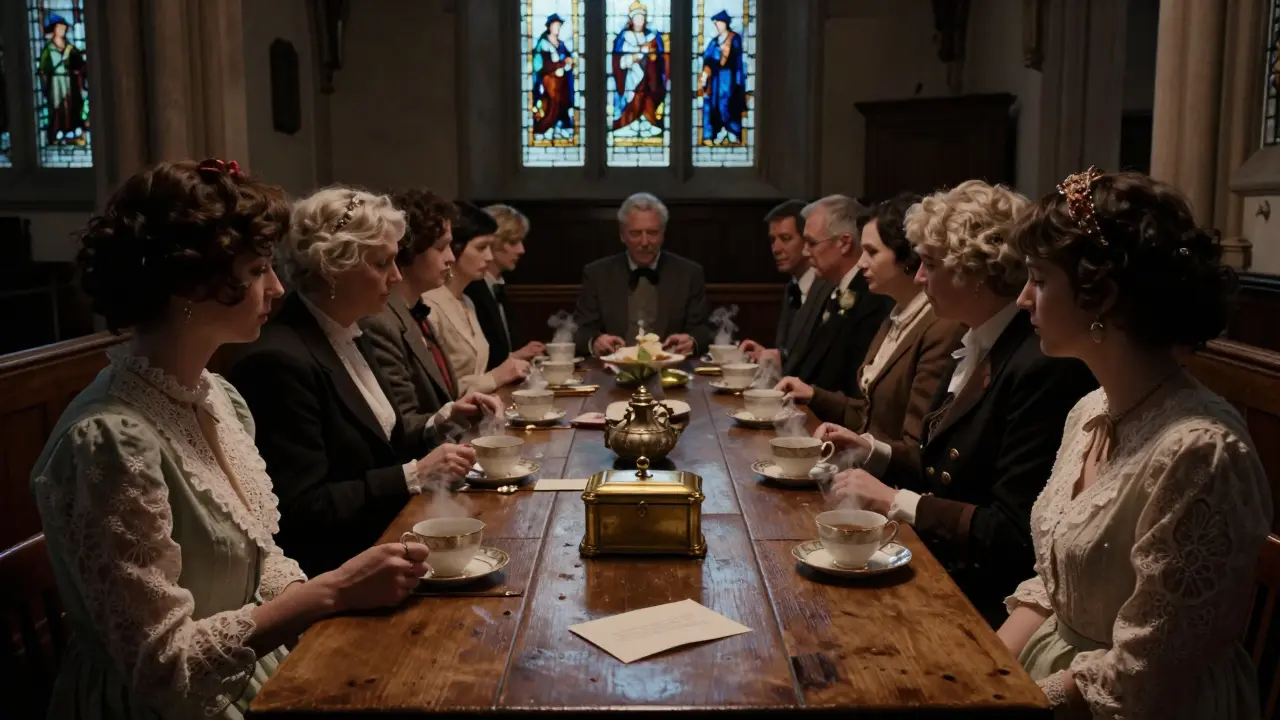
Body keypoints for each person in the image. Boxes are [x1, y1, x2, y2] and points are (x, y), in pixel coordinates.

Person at [31, 160, 429, 719]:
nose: (278, 286)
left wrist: (335, 591)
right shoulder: (108, 441)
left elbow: (259, 559)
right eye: (260, 268)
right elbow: (162, 668)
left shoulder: (216, 396)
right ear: (191, 283)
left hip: (252, 664)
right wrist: (333, 592)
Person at [999, 168, 1270, 717]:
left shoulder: (1201, 452)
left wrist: (1012, 699)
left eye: (1040, 280)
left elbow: (1147, 671)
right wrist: (986, 670)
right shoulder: (1090, 410)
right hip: (1056, 676)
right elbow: (1057, 586)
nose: (1024, 298)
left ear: (1102, 295)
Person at [821, 180, 1096, 627]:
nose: (919, 278)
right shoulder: (976, 337)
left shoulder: (1039, 362)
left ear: (978, 271)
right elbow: (943, 468)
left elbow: (1012, 535)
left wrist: (895, 501)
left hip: (985, 599)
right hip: (945, 568)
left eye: (930, 263)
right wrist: (873, 450)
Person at [230, 186, 475, 577]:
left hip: (388, 540)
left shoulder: (348, 329)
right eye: (382, 264)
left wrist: (443, 422)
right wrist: (412, 475)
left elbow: (379, 444)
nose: (396, 277)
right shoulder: (277, 359)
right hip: (340, 570)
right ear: (333, 268)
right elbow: (301, 508)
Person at [776, 193, 965, 476]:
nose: (861, 262)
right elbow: (868, 410)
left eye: (872, 252)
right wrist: (814, 395)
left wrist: (865, 447)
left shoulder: (938, 326)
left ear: (907, 259)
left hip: (892, 487)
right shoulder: (898, 314)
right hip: (862, 470)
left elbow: (918, 450)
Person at [362, 188, 503, 445]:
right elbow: (403, 424)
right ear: (409, 251)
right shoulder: (381, 321)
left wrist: (458, 411)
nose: (451, 257)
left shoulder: (414, 309)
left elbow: (443, 398)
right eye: (442, 247)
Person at [573, 192, 714, 357]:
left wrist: (692, 340)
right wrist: (595, 341)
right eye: (636, 233)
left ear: (663, 234)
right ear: (622, 235)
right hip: (611, 371)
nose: (645, 242)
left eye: (652, 233)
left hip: (673, 370)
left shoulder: (689, 273)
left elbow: (704, 329)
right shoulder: (597, 274)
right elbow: (580, 330)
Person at [782, 194, 894, 397]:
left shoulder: (872, 297)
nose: (805, 252)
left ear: (844, 243)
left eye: (811, 243)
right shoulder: (833, 288)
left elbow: (854, 385)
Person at [424, 201, 532, 393]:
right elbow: (437, 390)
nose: (490, 257)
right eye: (481, 248)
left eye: (490, 248)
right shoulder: (429, 304)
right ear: (456, 248)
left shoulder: (467, 301)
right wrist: (496, 376)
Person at [737, 199, 836, 373]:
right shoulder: (792, 287)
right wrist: (767, 354)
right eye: (772, 240)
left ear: (807, 240)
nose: (776, 248)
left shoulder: (829, 289)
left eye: (786, 238)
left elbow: (819, 365)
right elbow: (791, 353)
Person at [465, 203, 544, 370]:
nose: (521, 250)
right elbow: (478, 362)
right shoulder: (470, 290)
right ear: (493, 242)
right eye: (513, 242)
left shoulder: (497, 286)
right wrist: (514, 357)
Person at [697, 9, 747, 145]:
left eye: (719, 23)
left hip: (728, 78)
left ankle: (732, 132)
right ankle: (716, 133)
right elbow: (707, 58)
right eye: (716, 23)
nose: (718, 25)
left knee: (727, 104)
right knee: (714, 105)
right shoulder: (714, 42)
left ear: (726, 23)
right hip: (715, 80)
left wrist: (737, 81)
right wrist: (705, 74)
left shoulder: (734, 38)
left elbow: (736, 61)